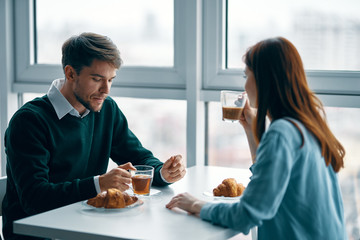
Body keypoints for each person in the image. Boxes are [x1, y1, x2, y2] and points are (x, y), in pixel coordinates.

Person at [3, 32, 186, 240]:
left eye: (110, 80)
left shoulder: (106, 109)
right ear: (71, 74)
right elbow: (34, 199)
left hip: (87, 229)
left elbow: (139, 157)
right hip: (38, 236)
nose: (105, 90)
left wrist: (163, 172)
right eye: (97, 79)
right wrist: (99, 184)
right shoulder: (29, 121)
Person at [166, 37, 347, 239]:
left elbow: (247, 214)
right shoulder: (310, 125)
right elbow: (268, 180)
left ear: (263, 79)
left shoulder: (281, 133)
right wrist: (251, 129)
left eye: (246, 76)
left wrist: (196, 205)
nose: (245, 85)